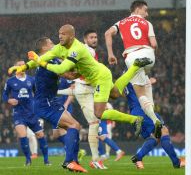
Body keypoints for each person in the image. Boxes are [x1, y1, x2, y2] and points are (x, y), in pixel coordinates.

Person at [8, 24, 152, 137]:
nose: (60, 37)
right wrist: (24, 67)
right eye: (59, 34)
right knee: (115, 93)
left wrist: (40, 61)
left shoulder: (76, 49)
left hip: (99, 77)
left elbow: (60, 69)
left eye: (63, 34)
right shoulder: (60, 48)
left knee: (99, 114)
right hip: (98, 75)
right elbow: (42, 59)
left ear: (71, 36)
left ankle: (135, 119)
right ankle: (134, 67)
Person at [22, 37, 87, 172]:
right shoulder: (47, 61)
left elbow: (68, 69)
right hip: (45, 103)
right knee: (74, 125)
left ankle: (74, 161)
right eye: (51, 43)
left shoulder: (50, 60)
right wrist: (86, 71)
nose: (55, 44)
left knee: (74, 127)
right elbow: (68, 75)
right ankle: (69, 161)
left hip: (49, 101)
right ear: (45, 48)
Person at [105, 0, 162, 138]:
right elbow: (154, 44)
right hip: (148, 54)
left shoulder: (121, 22)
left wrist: (111, 54)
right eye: (145, 10)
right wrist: (155, 55)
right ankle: (155, 120)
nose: (147, 14)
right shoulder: (147, 23)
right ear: (137, 9)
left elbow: (107, 33)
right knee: (145, 85)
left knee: (140, 94)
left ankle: (155, 120)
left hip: (132, 57)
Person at [57, 29, 107, 169]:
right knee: (94, 122)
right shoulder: (87, 51)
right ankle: (95, 159)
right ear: (85, 39)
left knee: (96, 121)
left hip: (88, 88)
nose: (95, 39)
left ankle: (96, 158)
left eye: (96, 37)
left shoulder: (90, 51)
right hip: (84, 90)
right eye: (91, 37)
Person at [124, 81, 185, 169]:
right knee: (163, 131)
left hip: (134, 112)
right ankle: (176, 162)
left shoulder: (125, 76)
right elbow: (141, 91)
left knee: (155, 137)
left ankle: (138, 157)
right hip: (143, 110)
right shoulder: (136, 74)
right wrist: (147, 83)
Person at [2, 61, 50, 166]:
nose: (23, 66)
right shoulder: (10, 81)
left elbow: (37, 94)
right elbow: (4, 95)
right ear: (16, 67)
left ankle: (46, 160)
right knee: (23, 136)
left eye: (24, 64)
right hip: (19, 113)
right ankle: (28, 160)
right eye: (20, 65)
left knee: (40, 135)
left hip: (32, 113)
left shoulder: (31, 80)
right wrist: (9, 100)